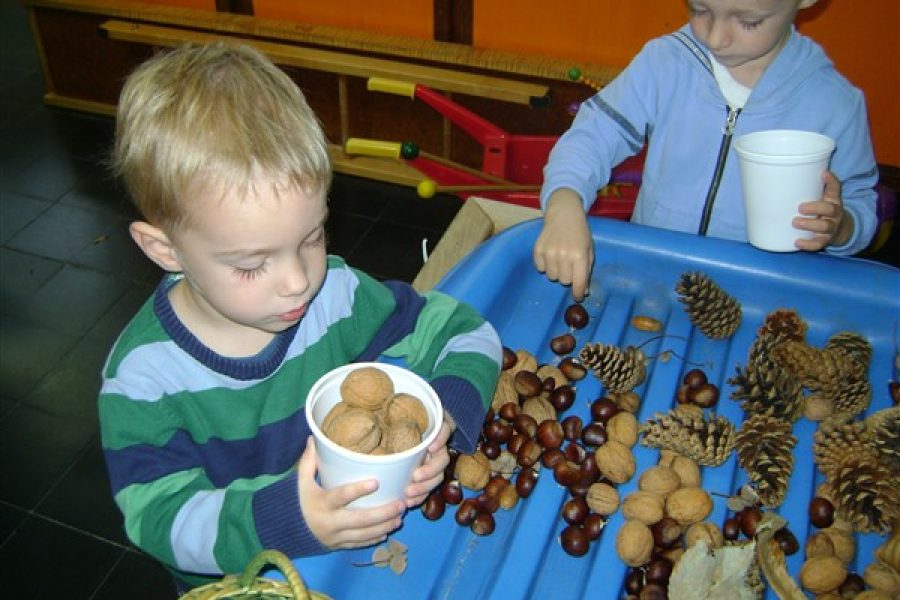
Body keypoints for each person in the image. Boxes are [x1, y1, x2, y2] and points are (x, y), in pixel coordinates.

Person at [99, 41, 502, 591]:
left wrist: (444, 419)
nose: (298, 281)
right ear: (165, 249)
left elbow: (466, 332)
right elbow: (157, 518)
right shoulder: (145, 380)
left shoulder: (335, 297)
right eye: (251, 265)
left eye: (311, 237)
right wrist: (287, 520)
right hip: (241, 581)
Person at [535, 0, 878, 300]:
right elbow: (593, 135)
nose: (715, 38)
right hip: (651, 280)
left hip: (762, 298)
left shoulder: (836, 104)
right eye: (699, 9)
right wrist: (564, 199)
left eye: (749, 21)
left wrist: (841, 227)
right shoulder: (664, 63)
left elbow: (860, 202)